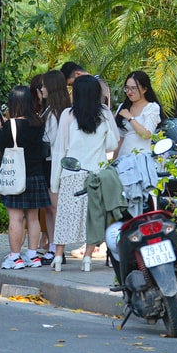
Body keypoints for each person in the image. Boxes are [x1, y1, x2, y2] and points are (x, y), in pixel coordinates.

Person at [49, 74, 118, 272]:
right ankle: (87, 258)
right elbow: (112, 144)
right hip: (96, 174)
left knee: (65, 217)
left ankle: (58, 257)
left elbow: (60, 150)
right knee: (93, 218)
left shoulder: (67, 115)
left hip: (71, 174)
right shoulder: (104, 113)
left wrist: (55, 183)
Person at [0, 85, 49, 270]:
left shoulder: (11, 125)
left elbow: (1, 146)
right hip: (36, 174)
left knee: (16, 219)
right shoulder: (39, 122)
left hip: (17, 176)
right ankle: (33, 255)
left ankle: (15, 257)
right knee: (33, 218)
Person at [37, 69, 70, 264]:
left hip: (54, 163)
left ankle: (59, 249)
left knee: (55, 207)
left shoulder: (60, 113)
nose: (41, 89)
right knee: (49, 208)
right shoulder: (50, 110)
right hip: (47, 162)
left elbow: (53, 141)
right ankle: (51, 246)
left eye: (44, 85)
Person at [115, 70, 161, 158]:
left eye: (133, 88)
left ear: (144, 89)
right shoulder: (122, 107)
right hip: (123, 159)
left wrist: (130, 118)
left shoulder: (152, 108)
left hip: (141, 159)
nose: (129, 92)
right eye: (127, 88)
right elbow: (120, 138)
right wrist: (113, 161)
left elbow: (146, 134)